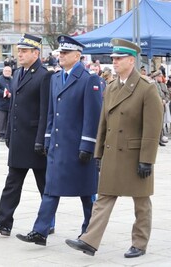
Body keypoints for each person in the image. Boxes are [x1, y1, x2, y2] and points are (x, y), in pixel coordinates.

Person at [65, 38, 163, 258]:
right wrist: (98, 152)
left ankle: (139, 243)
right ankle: (89, 241)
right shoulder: (111, 87)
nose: (114, 62)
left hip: (135, 155)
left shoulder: (146, 88)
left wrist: (147, 159)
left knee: (141, 202)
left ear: (131, 60)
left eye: (118, 58)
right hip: (112, 152)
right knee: (104, 198)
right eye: (113, 58)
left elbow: (153, 127)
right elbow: (103, 123)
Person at [15, 35, 102, 246]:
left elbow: (93, 116)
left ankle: (89, 233)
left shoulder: (88, 79)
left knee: (86, 193)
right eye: (59, 53)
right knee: (50, 190)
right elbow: (51, 113)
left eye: (65, 53)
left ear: (77, 56)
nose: (60, 56)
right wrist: (46, 138)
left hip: (78, 147)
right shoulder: (55, 78)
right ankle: (40, 231)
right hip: (57, 145)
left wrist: (88, 145)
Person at [0, 33, 53, 237]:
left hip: (35, 141)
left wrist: (41, 140)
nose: (19, 54)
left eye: (24, 51)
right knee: (12, 184)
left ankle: (48, 221)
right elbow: (13, 107)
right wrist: (8, 132)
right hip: (20, 140)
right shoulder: (19, 73)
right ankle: (3, 222)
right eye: (19, 51)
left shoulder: (44, 75)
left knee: (44, 185)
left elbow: (45, 111)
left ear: (36, 53)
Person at [0, 65, 12, 142]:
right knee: (2, 120)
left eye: (9, 71)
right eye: (6, 71)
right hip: (2, 103)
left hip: (10, 104)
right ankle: (1, 134)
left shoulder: (12, 80)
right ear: (3, 71)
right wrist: (5, 94)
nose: (7, 72)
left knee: (8, 120)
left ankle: (7, 135)